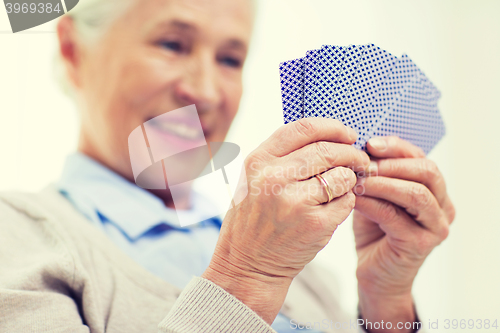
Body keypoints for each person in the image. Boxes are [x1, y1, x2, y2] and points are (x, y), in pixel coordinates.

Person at [0, 0, 455, 332]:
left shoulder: (302, 268)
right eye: (172, 44)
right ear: (72, 48)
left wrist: (386, 302)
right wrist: (246, 278)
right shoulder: (18, 237)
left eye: (230, 59)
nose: (206, 92)